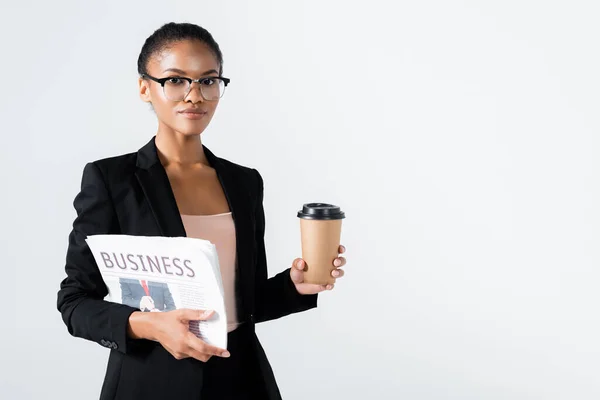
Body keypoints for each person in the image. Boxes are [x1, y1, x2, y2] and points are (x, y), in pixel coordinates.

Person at [56, 22, 347, 400]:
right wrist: (148, 325)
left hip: (241, 377)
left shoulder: (244, 182)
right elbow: (74, 301)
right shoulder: (112, 180)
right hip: (150, 381)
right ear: (145, 87)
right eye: (175, 81)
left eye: (208, 81)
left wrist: (296, 286)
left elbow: (246, 300)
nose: (194, 96)